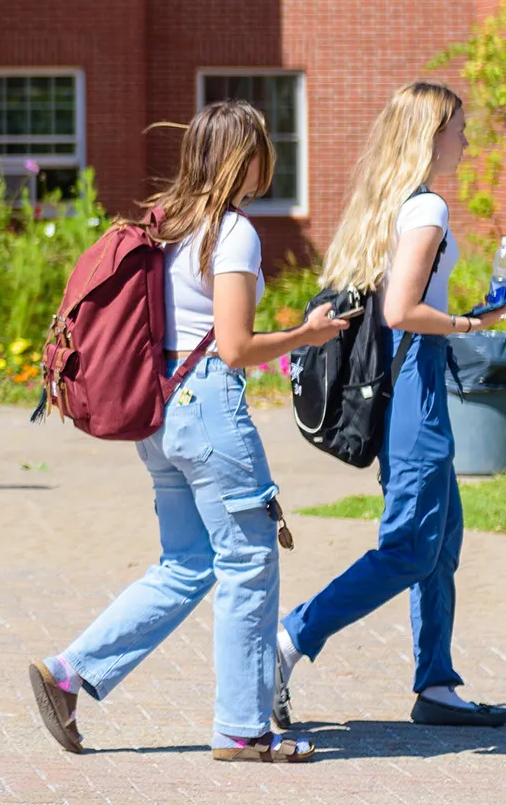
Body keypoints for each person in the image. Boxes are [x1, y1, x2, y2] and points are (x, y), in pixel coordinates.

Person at [28, 100, 348, 762]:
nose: (271, 158)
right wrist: (306, 334)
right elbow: (233, 347)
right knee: (248, 562)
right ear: (243, 157)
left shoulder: (166, 224)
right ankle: (241, 727)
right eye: (263, 146)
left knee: (186, 563)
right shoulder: (231, 232)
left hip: (159, 411)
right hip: (207, 408)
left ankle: (69, 672)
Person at [276, 82, 506, 730]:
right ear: (429, 135)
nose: (465, 138)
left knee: (441, 541)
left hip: (407, 380)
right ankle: (288, 641)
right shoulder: (425, 206)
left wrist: (478, 311)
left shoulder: (397, 204)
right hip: (416, 385)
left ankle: (435, 684)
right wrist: (468, 326)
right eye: (457, 127)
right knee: (408, 546)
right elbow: (403, 309)